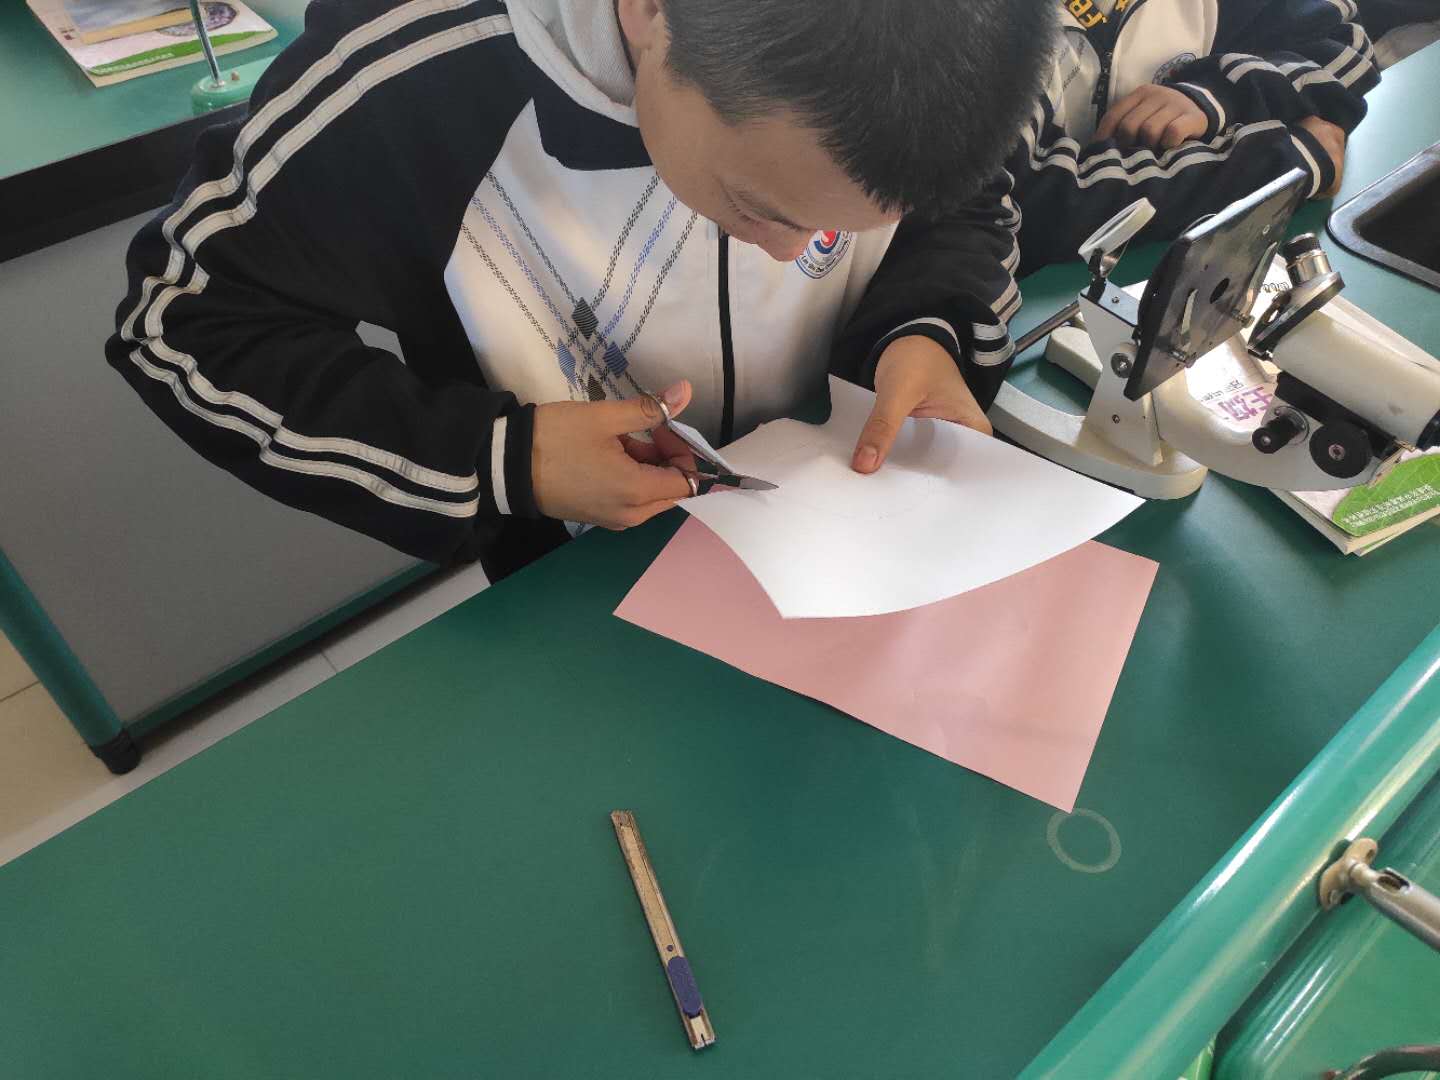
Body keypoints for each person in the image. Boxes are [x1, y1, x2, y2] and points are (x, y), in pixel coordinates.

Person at [105, 0, 1049, 578]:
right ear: (648, 11)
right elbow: (179, 321)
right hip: (579, 589)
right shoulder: (409, 73)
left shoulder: (963, 57)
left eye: (845, 229)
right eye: (757, 207)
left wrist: (928, 326)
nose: (790, 255)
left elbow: (969, 204)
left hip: (845, 543)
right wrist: (499, 458)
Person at [1008, 0, 1380, 276]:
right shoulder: (987, 23)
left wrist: (1220, 94)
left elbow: (1343, 45)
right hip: (1026, 303)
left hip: (1151, 268)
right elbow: (1026, 206)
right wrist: (1276, 168)